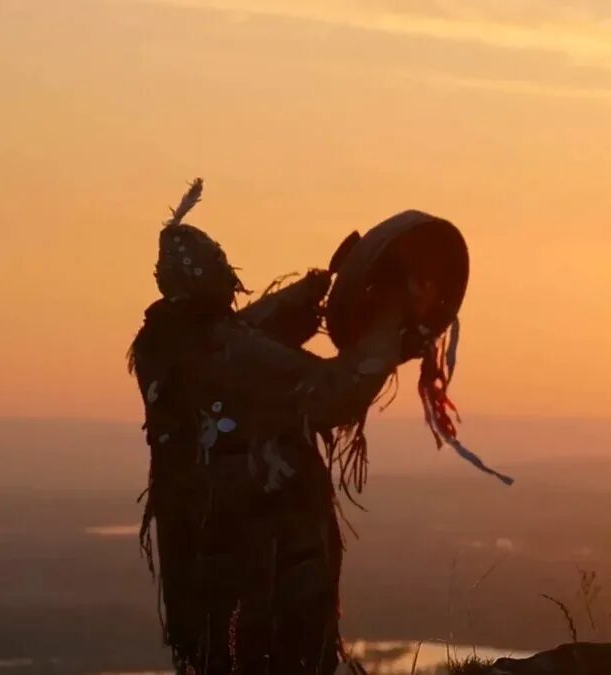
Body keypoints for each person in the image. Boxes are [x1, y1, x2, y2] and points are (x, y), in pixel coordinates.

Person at [127, 179, 412, 675]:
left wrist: (313, 291)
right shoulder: (222, 351)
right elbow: (331, 392)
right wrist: (391, 323)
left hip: (201, 564)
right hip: (266, 563)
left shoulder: (164, 344)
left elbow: (250, 331)